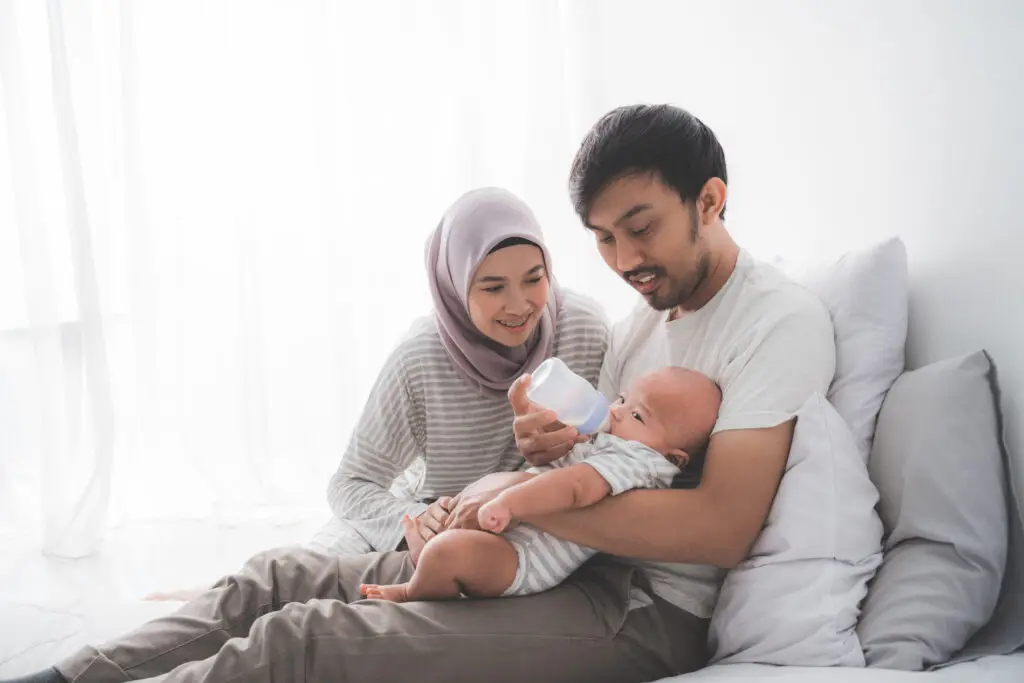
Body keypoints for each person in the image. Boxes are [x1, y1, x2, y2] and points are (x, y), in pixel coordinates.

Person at [4, 105, 835, 683]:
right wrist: (495, 486)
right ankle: (68, 673)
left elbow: (722, 529)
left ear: (712, 201)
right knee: (278, 576)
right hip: (555, 559)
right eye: (604, 239)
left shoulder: (774, 321)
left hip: (641, 608)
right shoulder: (645, 320)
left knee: (309, 640)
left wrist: (511, 504)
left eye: (641, 227)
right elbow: (604, 459)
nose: (623, 259)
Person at [360, 366, 722, 603]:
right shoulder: (610, 439)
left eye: (638, 415)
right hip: (507, 534)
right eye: (623, 399)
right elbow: (553, 460)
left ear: (674, 458)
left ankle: (411, 592)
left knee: (448, 552)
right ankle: (429, 560)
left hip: (522, 560)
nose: (616, 411)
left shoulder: (642, 464)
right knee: (447, 535)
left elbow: (576, 487)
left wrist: (509, 502)